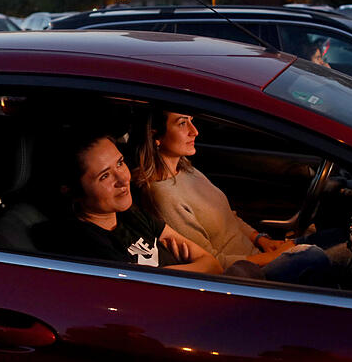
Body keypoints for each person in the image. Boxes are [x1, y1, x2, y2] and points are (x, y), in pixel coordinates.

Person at [132, 110, 334, 285]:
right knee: (314, 257)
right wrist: (272, 257)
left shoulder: (186, 170)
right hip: (247, 275)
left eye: (191, 121)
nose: (195, 131)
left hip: (259, 253)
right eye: (182, 123)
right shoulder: (161, 195)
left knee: (334, 235)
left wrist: (261, 239)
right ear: (155, 136)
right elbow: (214, 262)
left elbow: (229, 216)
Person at [47, 128, 223, 275]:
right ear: (72, 190)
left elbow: (213, 266)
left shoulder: (129, 214)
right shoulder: (87, 245)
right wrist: (181, 268)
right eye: (105, 176)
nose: (123, 179)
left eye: (120, 163)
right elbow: (147, 293)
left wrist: (168, 272)